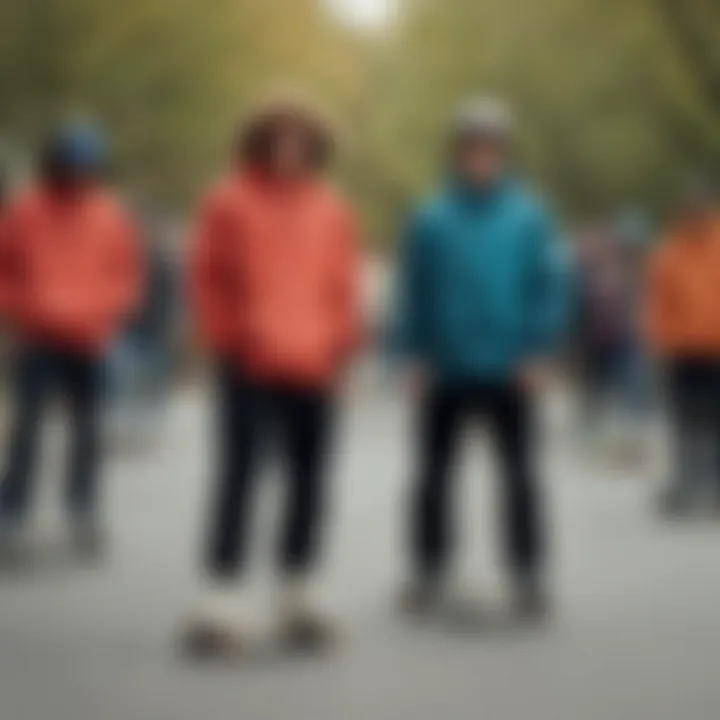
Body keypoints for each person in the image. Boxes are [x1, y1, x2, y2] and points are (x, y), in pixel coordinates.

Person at [184, 91, 363, 654]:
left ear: (316, 147)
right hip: (250, 361)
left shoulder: (333, 208)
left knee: (311, 483)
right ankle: (221, 596)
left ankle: (298, 592)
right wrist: (224, 341)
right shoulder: (229, 200)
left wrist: (342, 350)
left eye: (301, 139)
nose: (290, 149)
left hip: (315, 363)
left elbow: (343, 287)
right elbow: (206, 277)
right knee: (239, 477)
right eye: (279, 138)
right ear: (260, 142)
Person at [394, 98, 569, 620]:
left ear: (503, 153)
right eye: (471, 147)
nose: (480, 157)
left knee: (519, 476)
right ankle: (428, 572)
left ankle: (528, 575)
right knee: (432, 476)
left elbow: (549, 287)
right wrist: (411, 355)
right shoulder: (430, 218)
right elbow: (413, 291)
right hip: (445, 365)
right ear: (457, 152)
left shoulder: (529, 216)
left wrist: (539, 349)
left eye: (490, 147)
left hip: (510, 365)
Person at [0, 123, 143, 557]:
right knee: (27, 428)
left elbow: (126, 275)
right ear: (55, 164)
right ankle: (11, 512)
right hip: (39, 335)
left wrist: (106, 311)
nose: (78, 175)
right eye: (70, 166)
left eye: (86, 167)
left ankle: (82, 510)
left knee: (88, 430)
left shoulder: (110, 216)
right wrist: (26, 307)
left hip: (91, 338)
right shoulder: (26, 211)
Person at [645, 181, 720, 515]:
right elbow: (657, 304)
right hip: (682, 352)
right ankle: (688, 484)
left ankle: (713, 486)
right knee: (686, 421)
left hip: (716, 349)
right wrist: (660, 345)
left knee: (714, 421)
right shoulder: (669, 253)